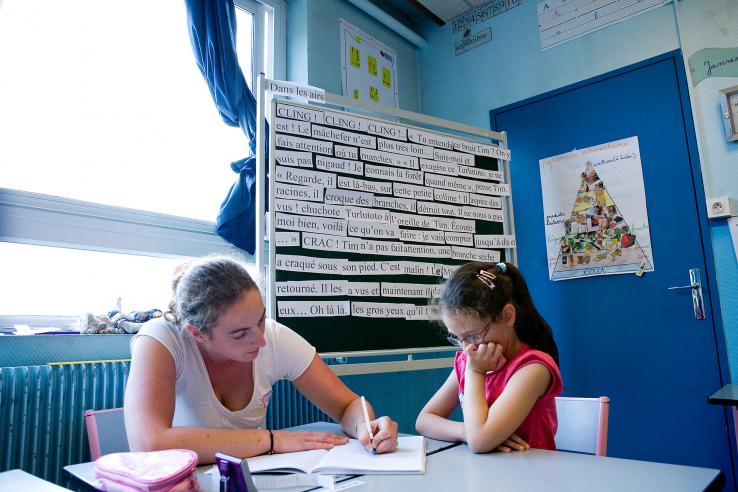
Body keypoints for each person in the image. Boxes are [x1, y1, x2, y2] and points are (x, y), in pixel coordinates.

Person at [124, 256, 398, 464]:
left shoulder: (275, 336)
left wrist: (364, 425)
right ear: (198, 334)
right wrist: (272, 440)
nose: (260, 340)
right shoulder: (161, 339)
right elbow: (148, 443)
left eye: (260, 320)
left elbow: (347, 405)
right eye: (240, 333)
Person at [415, 261, 562, 453]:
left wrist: (476, 371)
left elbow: (479, 442)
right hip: (488, 476)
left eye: (473, 336)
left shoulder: (533, 369)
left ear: (508, 316)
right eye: (457, 338)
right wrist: (465, 432)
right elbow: (424, 420)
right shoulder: (468, 361)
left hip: (533, 477)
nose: (467, 348)